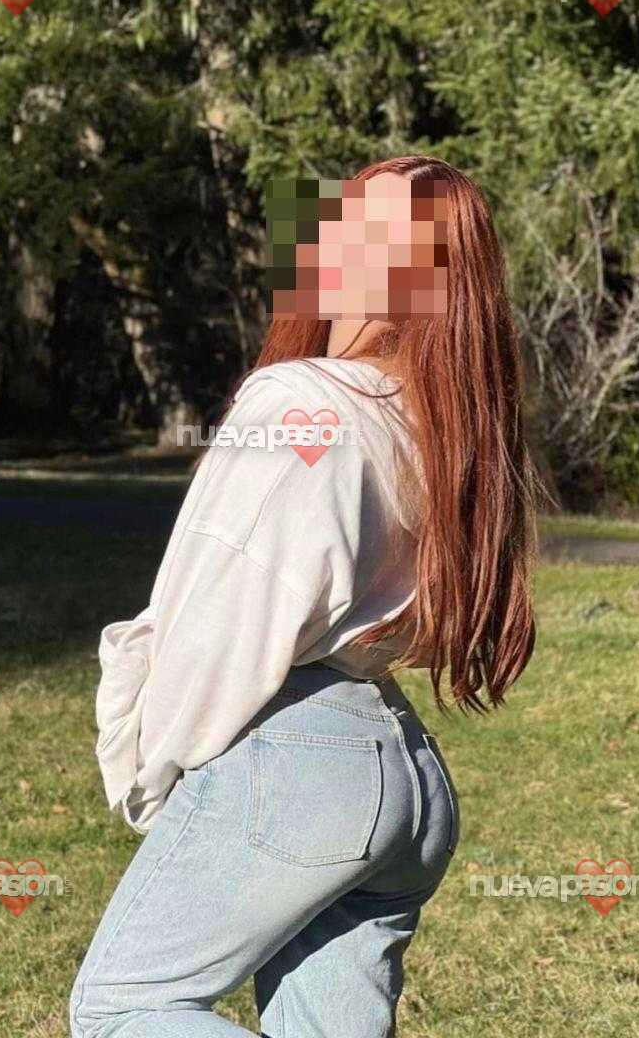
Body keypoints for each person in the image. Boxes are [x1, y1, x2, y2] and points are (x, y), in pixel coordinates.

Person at [70, 155, 541, 1037]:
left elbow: (222, 616)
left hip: (294, 761)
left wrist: (152, 763)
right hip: (403, 772)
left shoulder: (302, 404)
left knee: (122, 1008)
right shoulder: (440, 424)